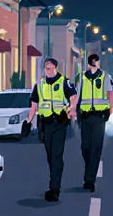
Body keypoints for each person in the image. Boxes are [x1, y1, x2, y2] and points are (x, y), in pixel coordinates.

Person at [27, 57, 78, 202]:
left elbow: (73, 97)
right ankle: (54, 180)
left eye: (50, 68)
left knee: (56, 155)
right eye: (46, 68)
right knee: (50, 156)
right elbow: (34, 105)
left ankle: (55, 189)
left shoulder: (64, 82)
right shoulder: (40, 84)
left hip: (59, 123)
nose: (48, 71)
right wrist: (28, 122)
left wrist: (71, 108)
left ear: (56, 68)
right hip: (46, 124)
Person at [75, 53, 113, 192]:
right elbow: (78, 95)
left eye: (96, 62)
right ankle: (90, 169)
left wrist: (112, 112)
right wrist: (74, 111)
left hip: (99, 117)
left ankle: (89, 180)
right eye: (92, 62)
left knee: (95, 148)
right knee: (85, 147)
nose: (94, 64)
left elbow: (111, 94)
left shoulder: (105, 76)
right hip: (85, 116)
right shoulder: (82, 77)